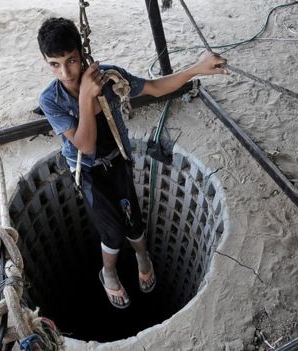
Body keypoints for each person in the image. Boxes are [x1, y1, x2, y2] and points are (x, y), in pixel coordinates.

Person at [37, 17, 227, 309]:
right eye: (55, 64)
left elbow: (153, 87)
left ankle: (142, 256)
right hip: (86, 172)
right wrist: (87, 97)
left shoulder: (111, 79)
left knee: (134, 223)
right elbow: (84, 146)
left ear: (83, 54)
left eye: (72, 61)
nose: (66, 72)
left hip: (118, 160)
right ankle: (109, 271)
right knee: (111, 234)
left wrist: (197, 68)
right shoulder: (52, 99)